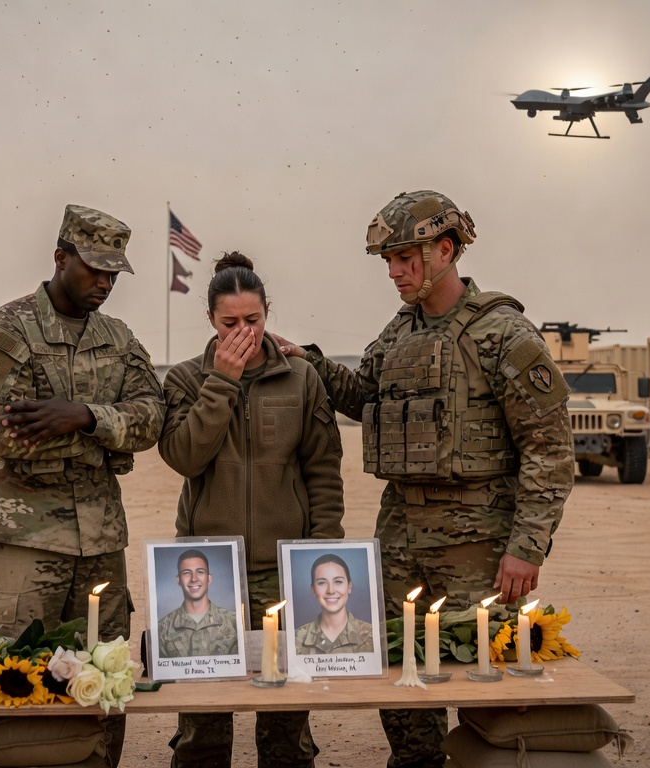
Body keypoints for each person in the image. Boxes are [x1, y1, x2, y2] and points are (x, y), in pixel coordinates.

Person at [275, 191, 575, 768]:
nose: (395, 272)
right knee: (402, 674)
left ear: (446, 249)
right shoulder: (397, 333)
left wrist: (526, 546)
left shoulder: (503, 334)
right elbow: (363, 396)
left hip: (476, 545)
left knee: (486, 684)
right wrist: (305, 359)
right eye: (387, 261)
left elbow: (550, 448)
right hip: (401, 538)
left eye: (406, 258)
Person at [0, 204, 165, 767]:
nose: (104, 282)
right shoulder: (6, 330)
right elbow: (8, 439)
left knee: (102, 685)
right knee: (7, 682)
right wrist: (107, 436)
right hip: (23, 542)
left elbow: (152, 418)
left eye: (114, 273)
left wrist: (83, 417)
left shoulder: (118, 337)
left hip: (100, 544)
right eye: (93, 268)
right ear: (60, 257)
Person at [159, 251, 344, 768]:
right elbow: (182, 456)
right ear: (211, 320)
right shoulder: (185, 379)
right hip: (208, 575)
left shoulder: (302, 378)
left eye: (254, 321)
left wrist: (322, 557)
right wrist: (220, 382)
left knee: (286, 721)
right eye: (230, 323)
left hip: (283, 573)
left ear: (268, 312)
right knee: (203, 723)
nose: (244, 331)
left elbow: (323, 473)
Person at [157, 548, 240, 658]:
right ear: (178, 580)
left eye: (200, 572)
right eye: (186, 573)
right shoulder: (162, 628)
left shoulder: (234, 622)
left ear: (209, 578)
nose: (194, 579)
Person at [293, 553, 374, 655]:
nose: (330, 590)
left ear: (349, 586)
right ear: (313, 589)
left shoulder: (372, 636)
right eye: (322, 582)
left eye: (338, 582)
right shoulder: (296, 638)